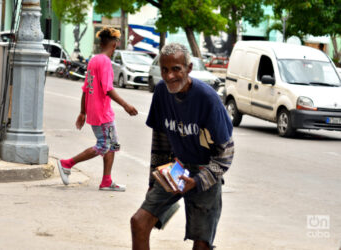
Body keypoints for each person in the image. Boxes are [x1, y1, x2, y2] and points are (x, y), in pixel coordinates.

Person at [130, 43, 234, 249]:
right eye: (165, 70)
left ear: (189, 68)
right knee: (139, 222)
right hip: (177, 168)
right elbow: (160, 138)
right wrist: (154, 179)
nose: (169, 76)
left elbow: (226, 154)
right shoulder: (161, 92)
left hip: (206, 171)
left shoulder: (208, 100)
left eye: (176, 69)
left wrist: (196, 181)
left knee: (201, 243)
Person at [57, 27, 138, 191]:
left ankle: (107, 181)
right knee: (103, 145)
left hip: (97, 112)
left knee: (113, 144)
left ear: (101, 43)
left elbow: (86, 89)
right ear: (114, 45)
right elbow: (108, 89)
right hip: (102, 114)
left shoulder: (94, 60)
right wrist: (126, 105)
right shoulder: (106, 62)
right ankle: (67, 164)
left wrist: (82, 112)